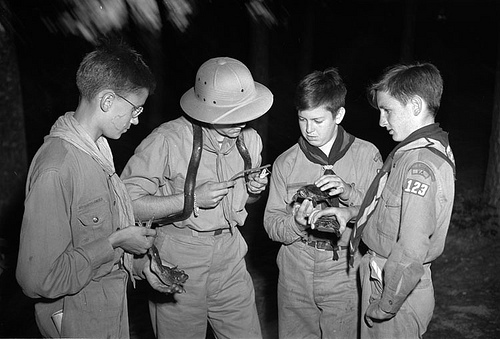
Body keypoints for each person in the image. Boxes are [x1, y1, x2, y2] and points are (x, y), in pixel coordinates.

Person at [15, 42, 168, 338]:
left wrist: (140, 266)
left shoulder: (99, 154)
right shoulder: (57, 167)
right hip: (76, 319)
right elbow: (37, 280)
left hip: (107, 311)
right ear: (108, 100)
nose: (136, 119)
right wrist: (115, 241)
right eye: (135, 108)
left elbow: (93, 239)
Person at [120, 57, 273, 339]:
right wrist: (190, 199)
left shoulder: (250, 140)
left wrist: (253, 191)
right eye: (231, 113)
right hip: (179, 257)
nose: (241, 122)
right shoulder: (167, 140)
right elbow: (126, 205)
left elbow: (243, 204)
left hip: (230, 256)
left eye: (245, 112)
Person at [311, 63, 456, 338]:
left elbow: (412, 249)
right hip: (386, 276)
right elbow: (391, 212)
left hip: (394, 287)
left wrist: (385, 305)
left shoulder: (419, 164)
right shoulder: (416, 151)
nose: (381, 121)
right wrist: (350, 213)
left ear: (415, 105)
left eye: (387, 110)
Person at [263, 67, 382, 338]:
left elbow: (380, 214)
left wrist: (350, 192)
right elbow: (270, 224)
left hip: (344, 269)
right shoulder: (286, 162)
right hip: (296, 268)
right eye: (302, 120)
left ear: (338, 115)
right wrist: (295, 223)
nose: (309, 130)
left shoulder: (366, 155)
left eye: (318, 121)